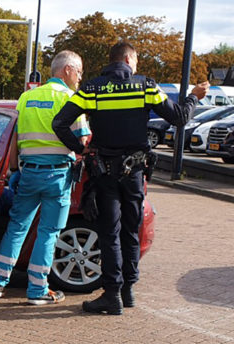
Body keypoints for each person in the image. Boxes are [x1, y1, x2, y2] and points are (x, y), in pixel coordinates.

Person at [53, 41, 209, 315]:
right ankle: (129, 291)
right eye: (135, 61)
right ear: (129, 59)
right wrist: (194, 96)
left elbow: (60, 122)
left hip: (104, 172)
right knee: (130, 229)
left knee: (109, 232)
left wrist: (80, 148)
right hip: (135, 172)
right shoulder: (146, 86)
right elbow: (180, 117)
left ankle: (112, 294)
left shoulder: (91, 88)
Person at [0, 50, 91, 305]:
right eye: (78, 72)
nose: (79, 78)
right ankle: (37, 290)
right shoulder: (71, 98)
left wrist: (13, 171)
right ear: (67, 70)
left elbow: (14, 138)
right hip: (57, 176)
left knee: (17, 227)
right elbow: (84, 140)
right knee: (48, 232)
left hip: (29, 173)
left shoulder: (27, 97)